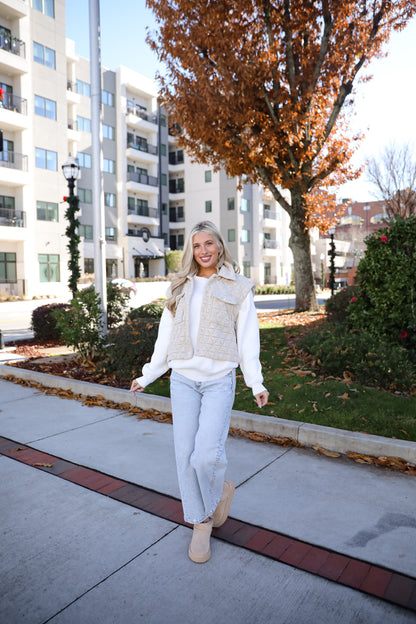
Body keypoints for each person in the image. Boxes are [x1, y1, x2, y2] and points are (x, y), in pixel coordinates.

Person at [130, 221, 269, 563]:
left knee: (206, 456)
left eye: (209, 243)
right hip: (182, 381)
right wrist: (148, 376)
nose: (204, 250)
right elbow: (165, 338)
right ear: (191, 251)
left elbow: (248, 338)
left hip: (219, 380)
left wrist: (256, 382)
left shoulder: (238, 286)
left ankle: (219, 490)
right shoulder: (179, 287)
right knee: (184, 457)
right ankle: (202, 522)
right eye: (197, 245)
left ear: (220, 246)